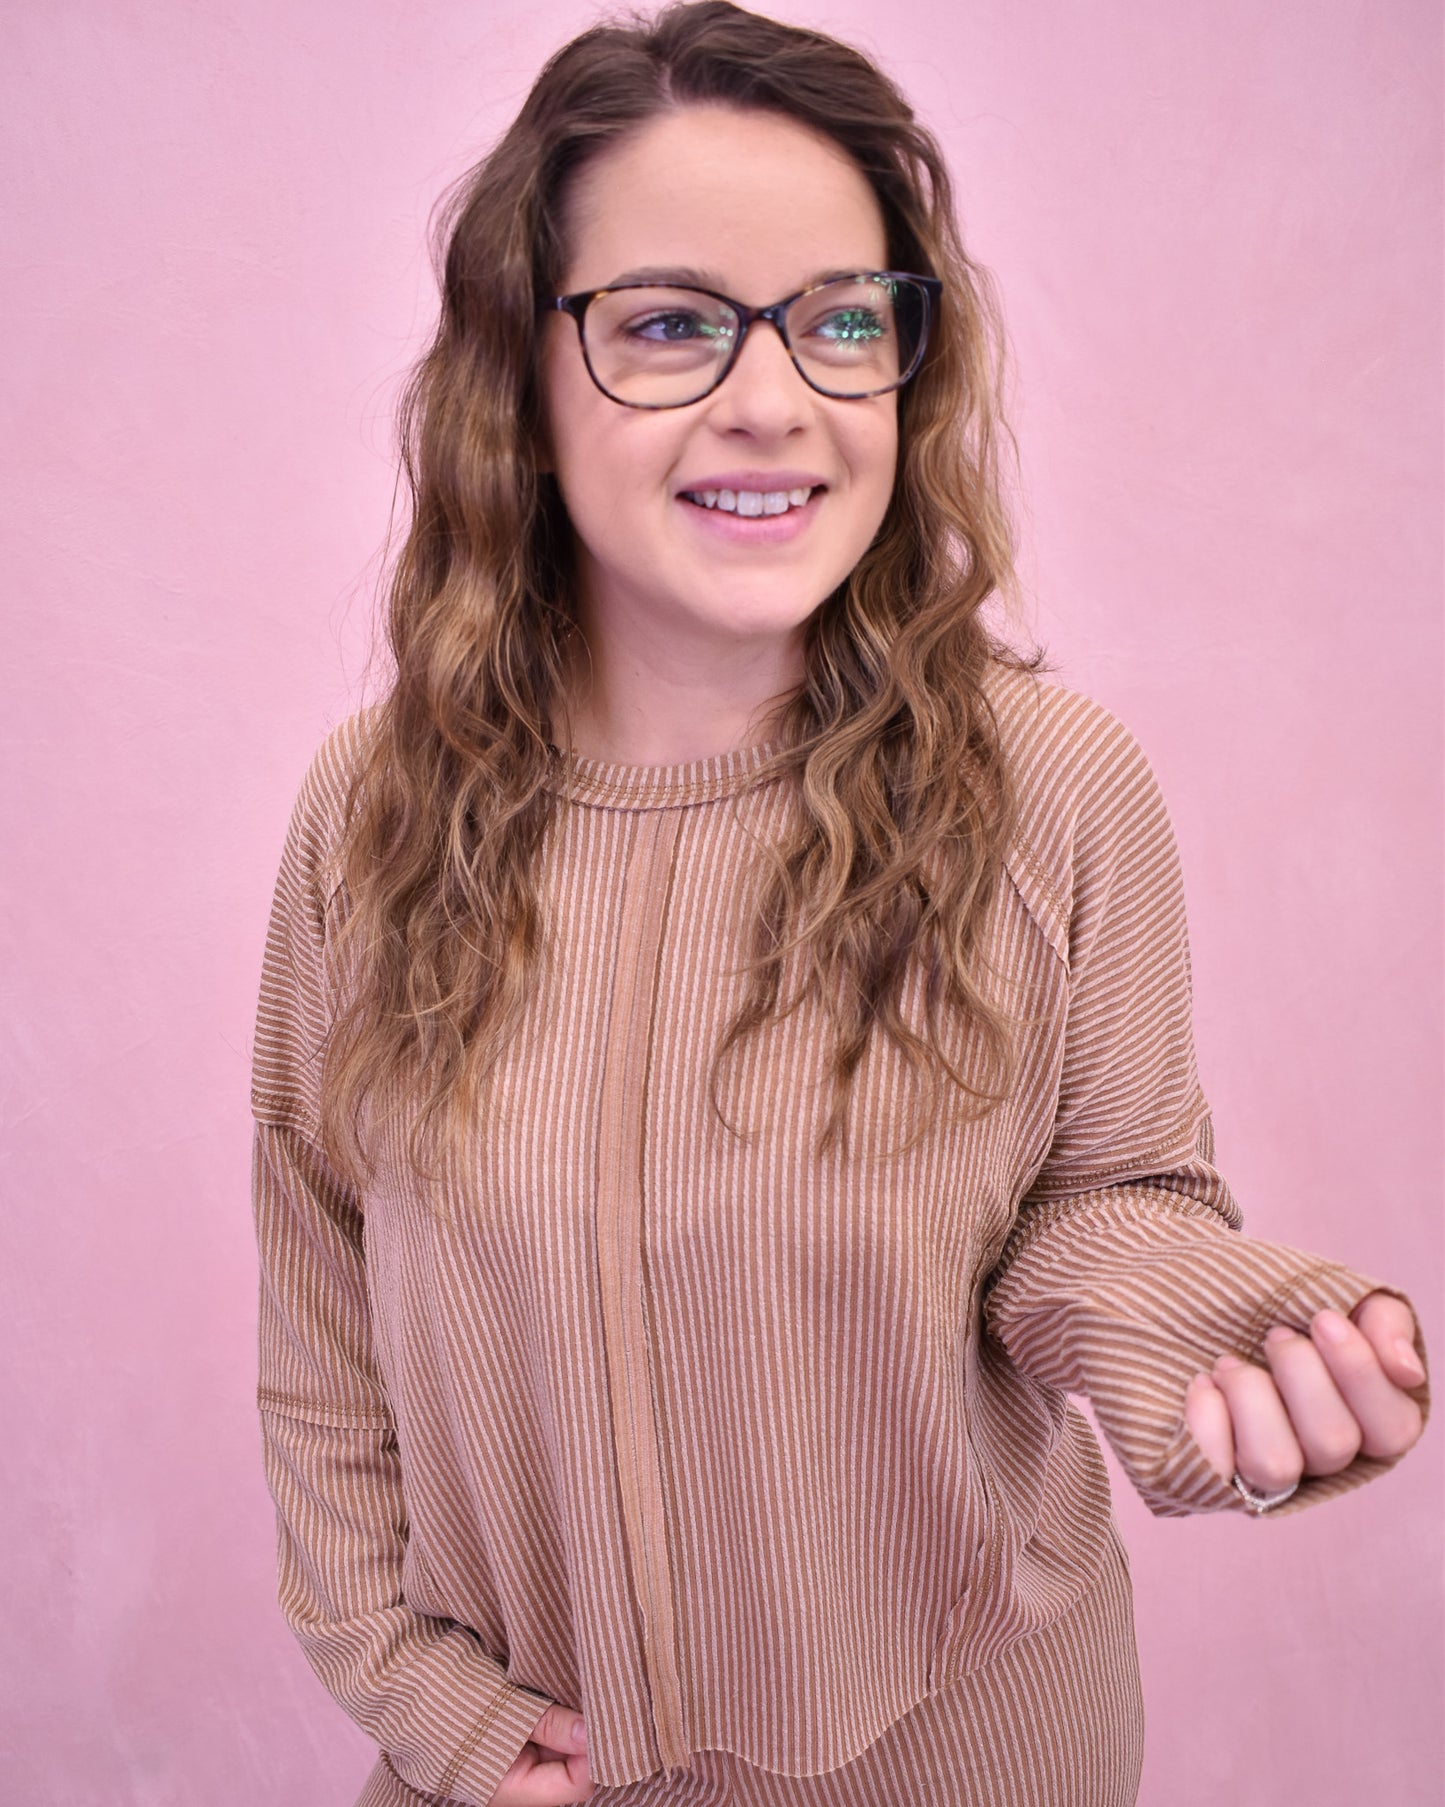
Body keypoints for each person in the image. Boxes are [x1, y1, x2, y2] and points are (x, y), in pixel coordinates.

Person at [249, 5, 1428, 1804]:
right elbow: (322, 1319)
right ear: (520, 372)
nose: (774, 397)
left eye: (840, 318)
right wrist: (430, 1708)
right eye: (667, 323)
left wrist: (1216, 1345)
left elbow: (1102, 1212)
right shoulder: (371, 821)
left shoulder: (1052, 790)